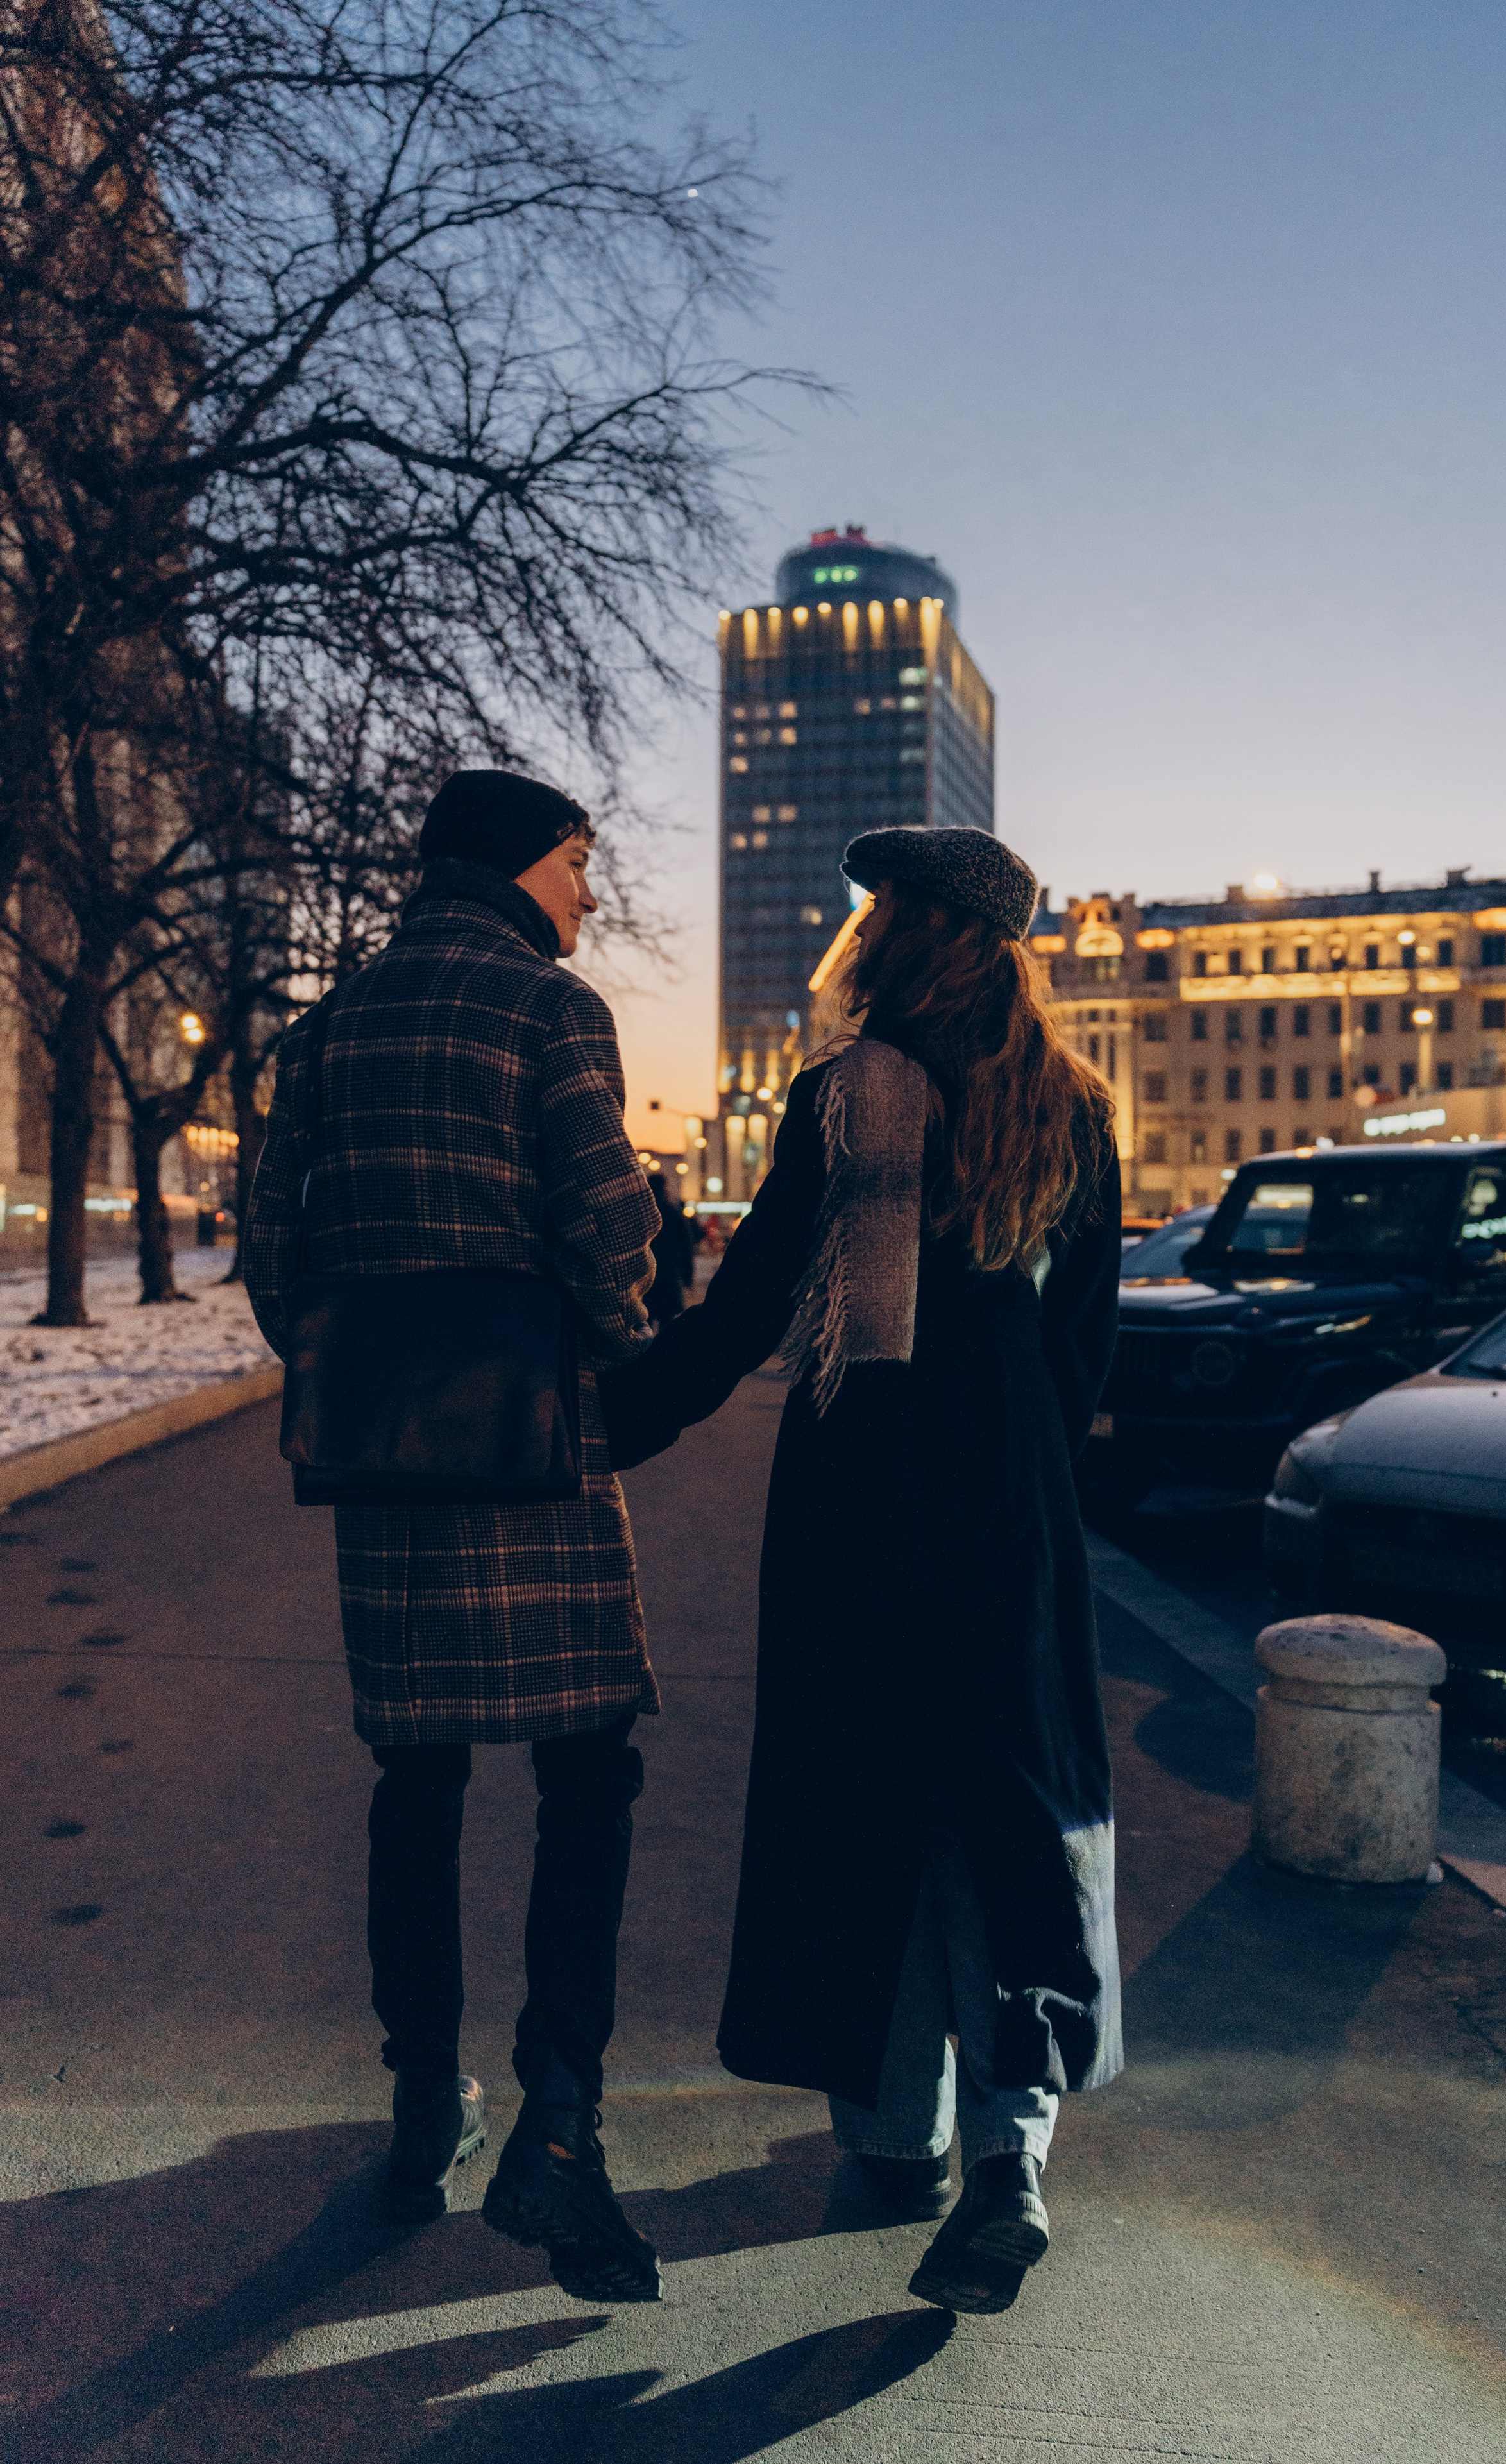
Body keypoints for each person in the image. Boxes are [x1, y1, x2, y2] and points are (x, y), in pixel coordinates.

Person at [601, 824, 1124, 2318]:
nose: (858, 927)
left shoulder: (848, 1093)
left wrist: (620, 1416)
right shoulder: (1072, 1107)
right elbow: (1084, 1345)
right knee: (1008, 1814)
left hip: (859, 1499)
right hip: (1009, 1508)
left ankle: (897, 2129)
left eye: (874, 908)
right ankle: (1011, 2161)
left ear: (907, 934)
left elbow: (756, 1299)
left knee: (866, 1799)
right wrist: (1029, 1476)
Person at [245, 770, 665, 2302]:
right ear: (516, 867)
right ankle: (560, 2112)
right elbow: (607, 1240)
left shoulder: (328, 1026)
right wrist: (623, 1336)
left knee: (415, 1778)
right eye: (576, 861)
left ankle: (424, 2101)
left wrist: (364, 1367)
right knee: (588, 1769)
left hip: (389, 1461)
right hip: (535, 1447)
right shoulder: (553, 1016)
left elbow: (274, 1256)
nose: (588, 893)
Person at [643, 1168, 695, 1324]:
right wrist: (688, 1276)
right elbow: (687, 1247)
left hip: (646, 1277)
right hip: (669, 1275)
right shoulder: (673, 1213)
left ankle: (648, 1349)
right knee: (668, 1323)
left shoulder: (643, 1213)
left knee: (645, 1322)